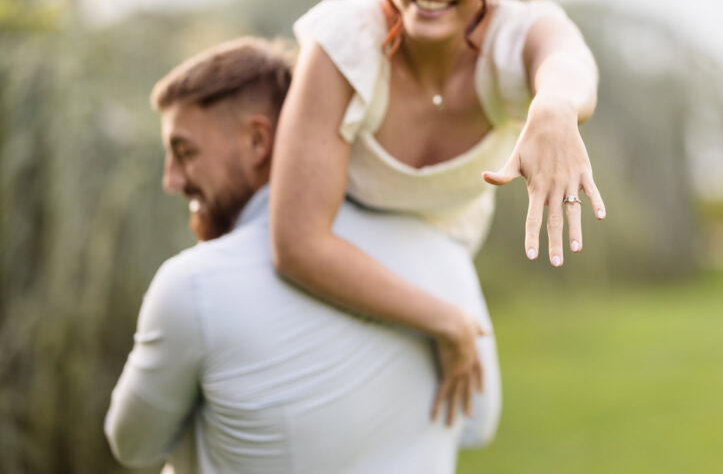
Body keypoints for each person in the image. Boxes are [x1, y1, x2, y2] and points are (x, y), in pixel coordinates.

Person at [271, 0, 604, 440]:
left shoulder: (517, 36)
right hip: (327, 267)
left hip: (438, 268)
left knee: (472, 423)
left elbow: (567, 57)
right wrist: (446, 322)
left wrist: (554, 109)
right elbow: (295, 242)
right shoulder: (344, 41)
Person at [106, 37, 496, 473]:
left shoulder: (193, 287)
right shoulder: (441, 253)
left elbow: (133, 445)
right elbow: (476, 424)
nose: (172, 180)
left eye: (185, 152)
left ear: (257, 140)